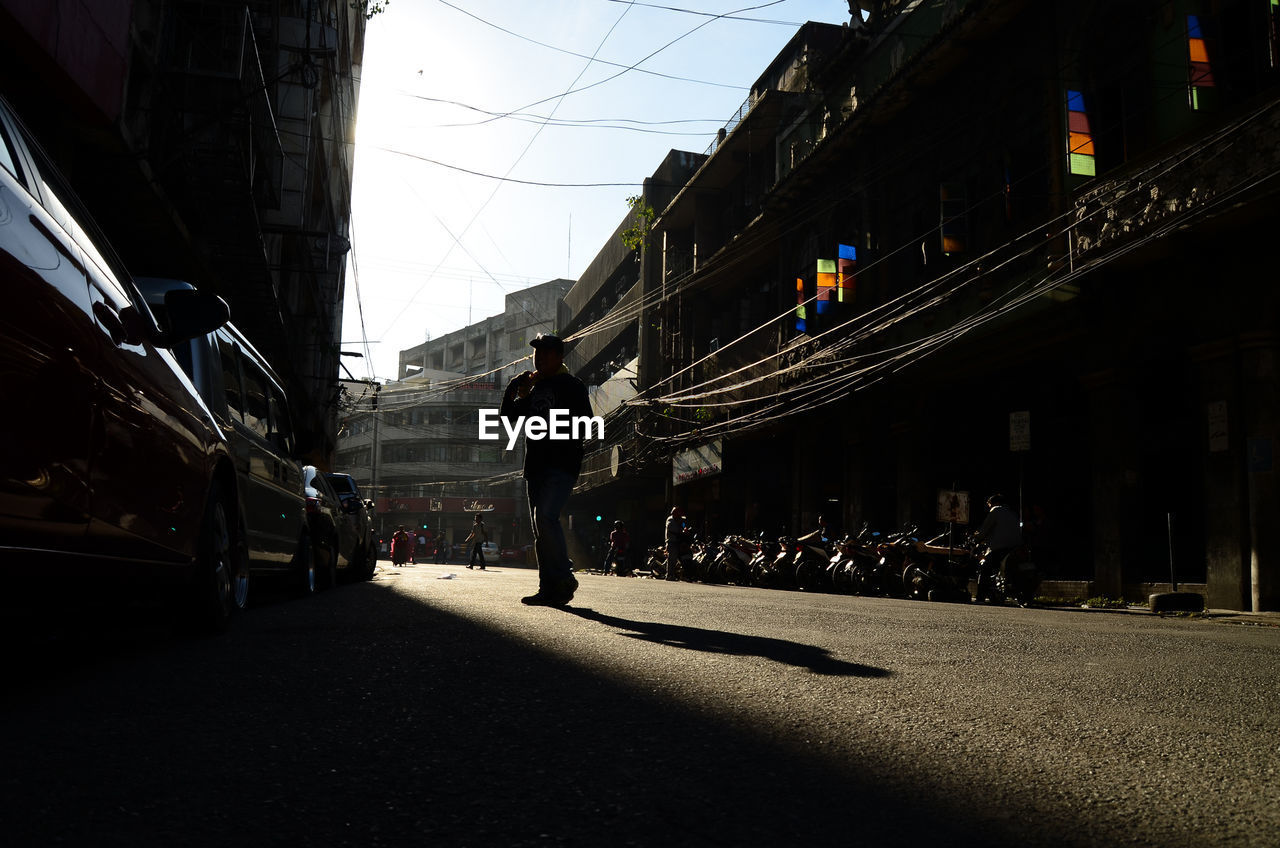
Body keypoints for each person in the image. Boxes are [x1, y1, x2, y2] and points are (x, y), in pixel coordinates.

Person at [499, 333, 593, 606]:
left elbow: (585, 423)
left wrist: (551, 427)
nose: (538, 358)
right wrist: (513, 390)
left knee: (546, 517)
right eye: (536, 354)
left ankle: (564, 576)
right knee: (541, 529)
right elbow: (508, 417)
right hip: (535, 467)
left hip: (562, 464)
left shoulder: (571, 385)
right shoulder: (535, 388)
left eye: (545, 353)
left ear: (559, 357)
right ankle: (549, 589)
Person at [972, 493, 1022, 602]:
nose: (989, 507)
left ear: (995, 503)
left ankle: (980, 596)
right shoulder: (1012, 513)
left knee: (984, 568)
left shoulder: (995, 511)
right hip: (1015, 548)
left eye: (990, 504)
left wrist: (976, 539)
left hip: (1000, 548)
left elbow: (984, 530)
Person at [664, 507, 689, 581]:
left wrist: (685, 528)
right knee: (671, 559)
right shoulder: (670, 520)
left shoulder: (680, 519)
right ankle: (669, 575)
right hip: (671, 542)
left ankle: (681, 575)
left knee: (678, 560)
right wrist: (681, 531)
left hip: (678, 542)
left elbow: (684, 524)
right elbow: (672, 529)